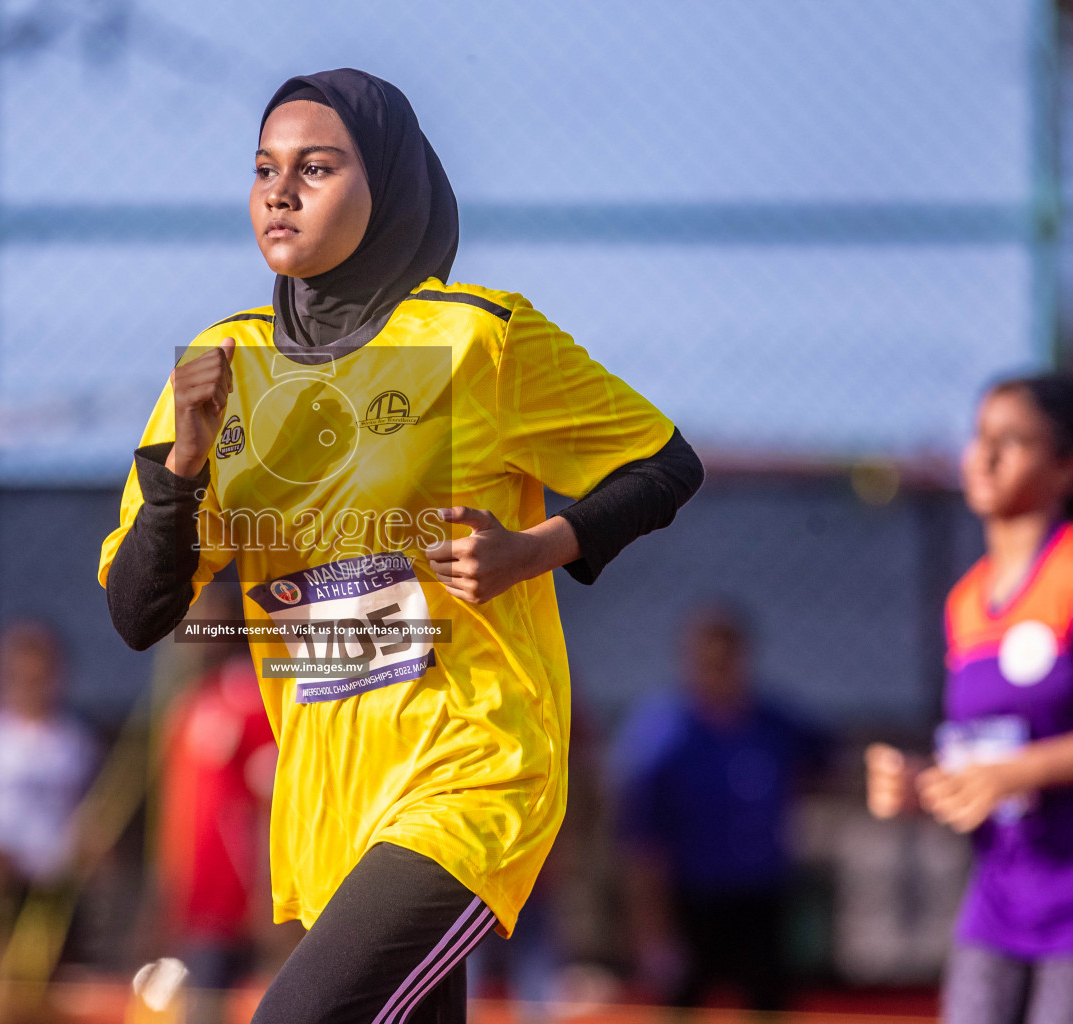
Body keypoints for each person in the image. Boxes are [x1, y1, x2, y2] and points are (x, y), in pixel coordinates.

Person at [98, 68, 703, 1024]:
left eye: (318, 167)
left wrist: (534, 548)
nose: (280, 192)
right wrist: (181, 464)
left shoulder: (478, 339)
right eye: (264, 169)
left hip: (471, 767)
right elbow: (139, 613)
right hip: (333, 795)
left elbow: (665, 464)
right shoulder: (221, 365)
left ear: (388, 185)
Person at [866, 374, 1073, 1024]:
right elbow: (982, 756)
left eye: (1011, 441)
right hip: (996, 903)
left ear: (1066, 467)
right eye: (979, 437)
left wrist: (1022, 772)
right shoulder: (966, 600)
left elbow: (1013, 764)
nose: (983, 457)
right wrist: (921, 787)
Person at [612, 603, 829, 1012]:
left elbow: (830, 765)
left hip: (763, 895)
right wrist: (651, 932)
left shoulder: (776, 724)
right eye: (707, 661)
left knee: (770, 1002)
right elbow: (642, 844)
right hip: (691, 899)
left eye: (727, 660)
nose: (718, 671)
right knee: (682, 1003)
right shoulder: (662, 737)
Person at [0, 620, 100, 981]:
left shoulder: (74, 740)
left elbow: (89, 808)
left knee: (52, 973)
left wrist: (82, 855)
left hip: (53, 884)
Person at [155, 583, 278, 1024]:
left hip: (241, 906)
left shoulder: (253, 698)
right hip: (196, 904)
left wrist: (268, 897)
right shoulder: (188, 704)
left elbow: (271, 803)